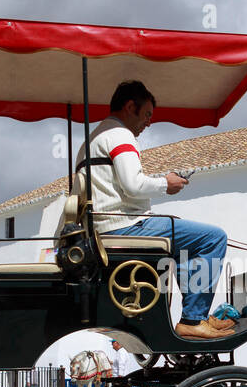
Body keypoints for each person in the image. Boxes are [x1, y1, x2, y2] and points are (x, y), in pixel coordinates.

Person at [73, 81, 230, 341]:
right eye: (146, 114)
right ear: (129, 106)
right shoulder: (119, 135)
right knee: (213, 237)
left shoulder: (93, 139)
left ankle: (196, 314)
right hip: (124, 226)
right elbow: (133, 185)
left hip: (104, 229)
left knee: (185, 243)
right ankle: (192, 319)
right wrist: (165, 184)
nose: (148, 123)